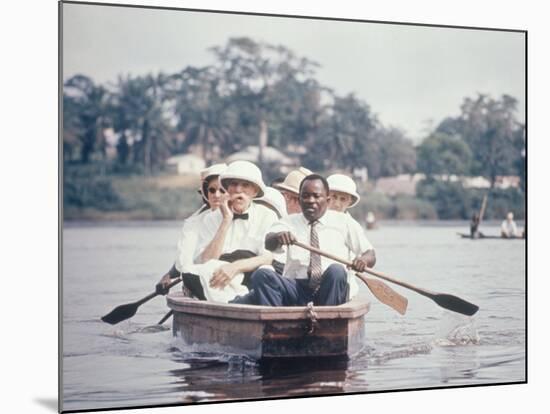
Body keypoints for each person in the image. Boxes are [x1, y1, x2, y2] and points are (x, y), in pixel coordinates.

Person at [233, 174, 375, 307]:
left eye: (316, 196)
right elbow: (269, 242)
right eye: (305, 196)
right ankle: (277, 326)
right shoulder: (287, 222)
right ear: (300, 199)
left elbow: (370, 254)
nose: (311, 201)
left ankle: (328, 324)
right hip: (296, 288)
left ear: (327, 200)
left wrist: (363, 260)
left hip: (329, 288)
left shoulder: (344, 222)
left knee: (337, 271)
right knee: (262, 274)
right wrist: (278, 238)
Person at [184, 160, 279, 303]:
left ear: (254, 191)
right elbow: (207, 260)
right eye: (234, 185)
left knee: (265, 271)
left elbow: (267, 258)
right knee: (190, 272)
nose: (238, 190)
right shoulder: (212, 218)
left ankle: (238, 300)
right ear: (227, 189)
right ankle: (235, 300)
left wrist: (235, 267)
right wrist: (226, 220)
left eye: (245, 185)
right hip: (219, 277)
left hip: (251, 273)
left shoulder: (267, 215)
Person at [156, 163, 227, 295]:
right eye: (211, 190)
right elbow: (186, 258)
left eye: (222, 190)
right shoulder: (195, 222)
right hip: (202, 279)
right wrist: (169, 275)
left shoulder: (238, 215)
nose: (216, 195)